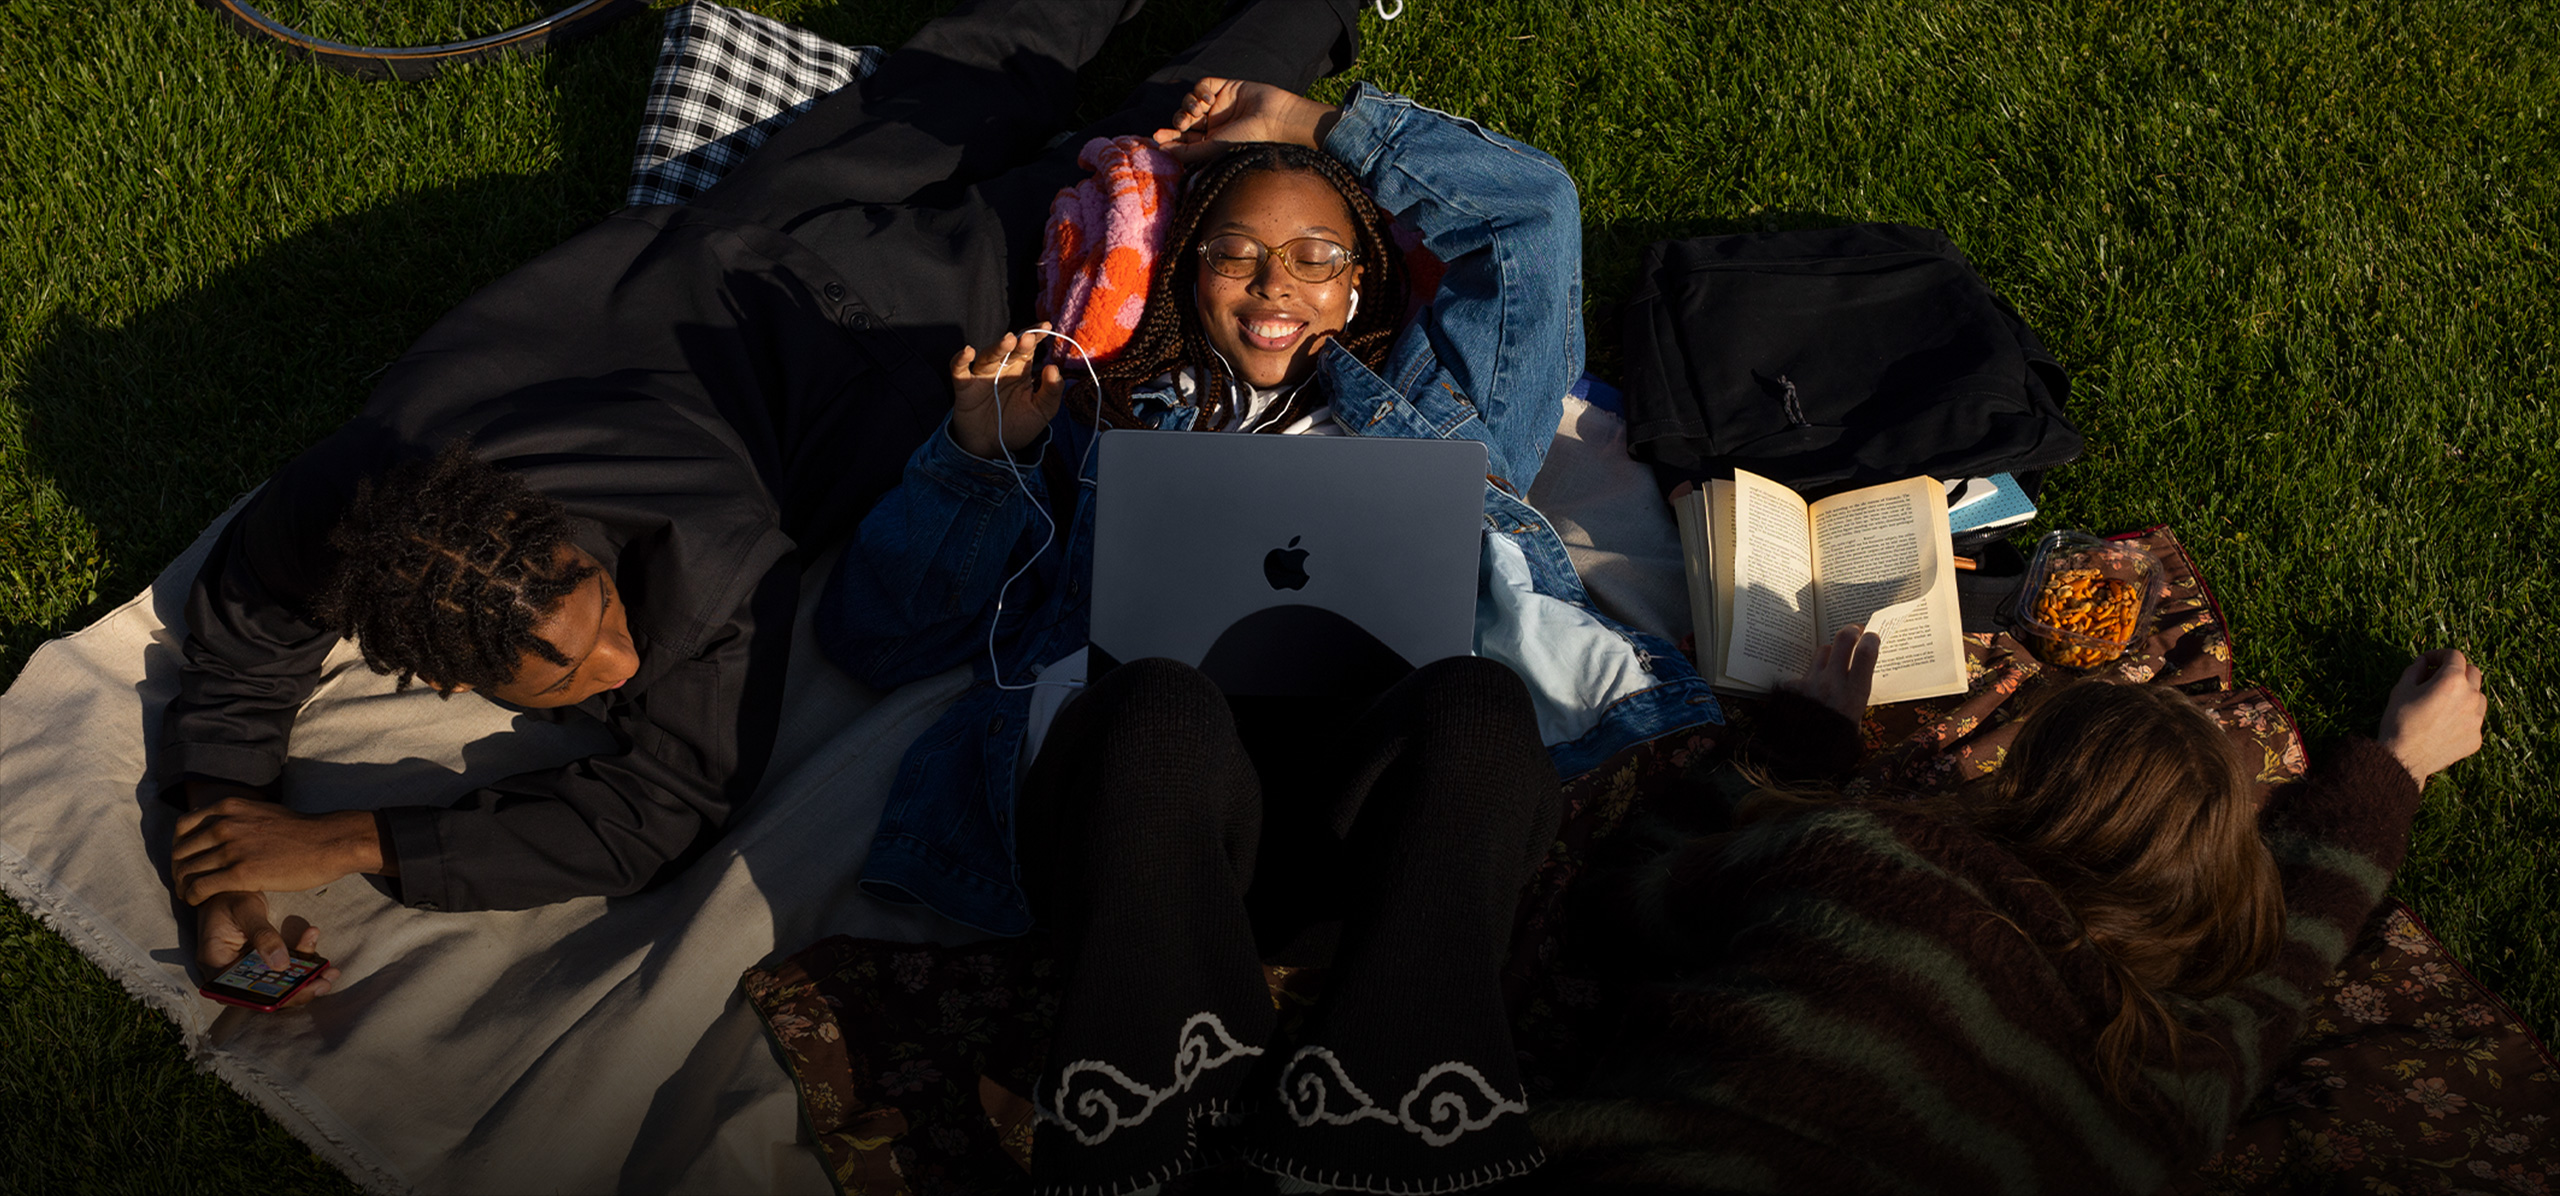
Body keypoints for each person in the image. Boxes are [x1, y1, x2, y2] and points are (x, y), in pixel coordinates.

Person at [154, 0, 1365, 1007]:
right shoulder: (367, 490)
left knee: (1147, 142)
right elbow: (254, 609)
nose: (624, 660)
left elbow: (657, 814)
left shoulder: (705, 560)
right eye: (574, 672)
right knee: (1030, 92)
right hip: (761, 229)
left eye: (597, 618)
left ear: (555, 538)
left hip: (897, 306)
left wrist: (351, 839)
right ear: (436, 675)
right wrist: (225, 820)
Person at [815, 75, 1718, 1193]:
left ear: (1357, 281)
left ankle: (1394, 1103)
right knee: (1157, 699)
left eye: (1314, 257)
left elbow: (1529, 214)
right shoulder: (1097, 424)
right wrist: (976, 458)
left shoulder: (1443, 413)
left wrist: (1306, 123)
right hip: (1147, 827)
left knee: (1477, 701)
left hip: (1362, 832)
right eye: (1235, 253)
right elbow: (881, 635)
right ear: (1188, 271)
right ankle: (1143, 1123)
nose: (1273, 284)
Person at [1524, 624, 2490, 1193]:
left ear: (2019, 791)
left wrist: (1801, 741)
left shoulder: (1871, 861)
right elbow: (2288, 972)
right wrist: (2396, 768)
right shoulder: (2168, 1085)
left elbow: (1621, 902)